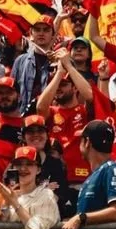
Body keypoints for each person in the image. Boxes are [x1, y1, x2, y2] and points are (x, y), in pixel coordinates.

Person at [36, 49, 93, 196]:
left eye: (64, 84)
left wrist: (69, 66)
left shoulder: (84, 111)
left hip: (82, 180)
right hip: (55, 181)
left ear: (75, 87)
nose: (59, 88)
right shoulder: (52, 112)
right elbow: (40, 107)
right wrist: (59, 74)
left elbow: (90, 96)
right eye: (57, 85)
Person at [11, 16, 57, 115]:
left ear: (53, 35)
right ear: (31, 33)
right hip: (24, 115)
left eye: (46, 30)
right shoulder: (20, 61)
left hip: (50, 115)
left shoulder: (60, 61)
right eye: (37, 29)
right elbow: (13, 91)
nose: (41, 33)